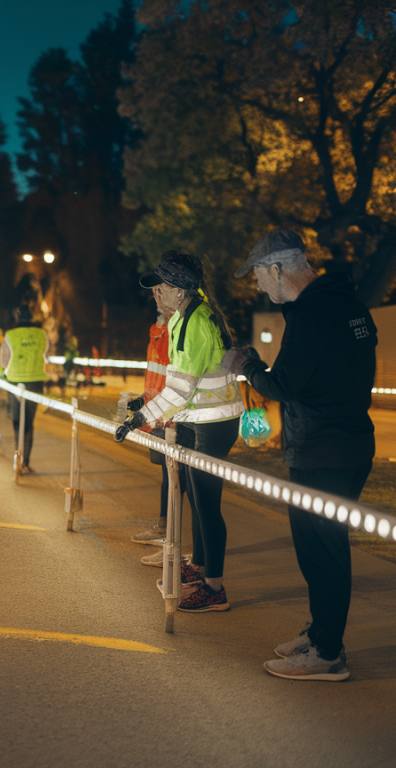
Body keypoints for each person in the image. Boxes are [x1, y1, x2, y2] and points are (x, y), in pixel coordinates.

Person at [226, 230, 375, 681]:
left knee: (322, 551)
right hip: (350, 443)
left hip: (320, 449)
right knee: (324, 548)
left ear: (277, 269)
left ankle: (327, 653)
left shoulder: (310, 314)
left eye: (257, 275)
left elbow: (283, 385)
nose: (257, 285)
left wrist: (247, 364)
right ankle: (321, 632)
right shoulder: (349, 305)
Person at [115, 251, 244, 613]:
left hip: (212, 424)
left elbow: (179, 390)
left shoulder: (194, 323)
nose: (155, 293)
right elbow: (180, 387)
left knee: (207, 505)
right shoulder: (185, 318)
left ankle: (213, 588)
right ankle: (201, 569)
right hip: (199, 420)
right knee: (201, 505)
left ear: (179, 290)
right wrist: (145, 410)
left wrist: (140, 418)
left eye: (161, 287)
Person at [131, 289, 190, 561]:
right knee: (168, 474)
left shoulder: (177, 331)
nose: (157, 297)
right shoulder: (158, 331)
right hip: (159, 412)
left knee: (177, 477)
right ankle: (165, 530)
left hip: (172, 415)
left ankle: (172, 545)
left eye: (162, 294)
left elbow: (176, 376)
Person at [1, 306, 49, 474]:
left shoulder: (10, 335)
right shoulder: (42, 334)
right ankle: (26, 463)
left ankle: (17, 458)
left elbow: (3, 362)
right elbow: (46, 354)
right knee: (29, 423)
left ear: (16, 316)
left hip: (15, 382)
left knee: (17, 421)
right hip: (35, 382)